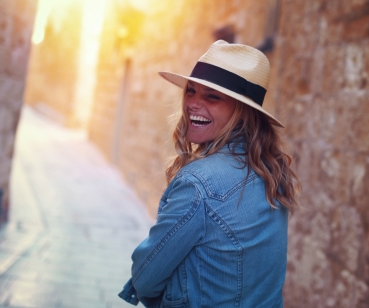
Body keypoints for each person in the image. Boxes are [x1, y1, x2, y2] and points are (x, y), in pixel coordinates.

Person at [118, 40, 301, 307]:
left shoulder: (198, 183)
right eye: (191, 91)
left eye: (212, 96)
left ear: (242, 112)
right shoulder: (273, 175)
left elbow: (145, 278)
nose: (193, 103)